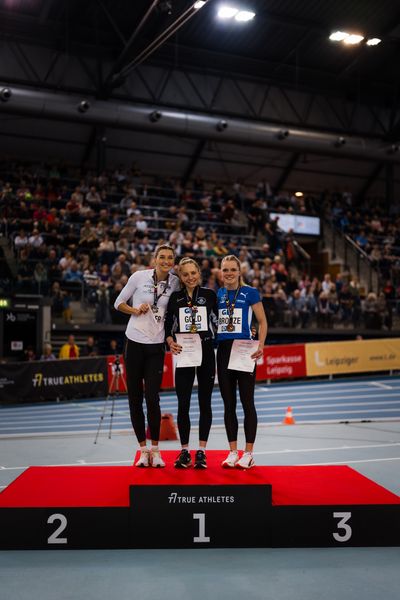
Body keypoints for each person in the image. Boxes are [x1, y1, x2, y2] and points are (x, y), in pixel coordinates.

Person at [114, 245, 180, 468]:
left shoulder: (175, 282)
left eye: (170, 258)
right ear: (155, 259)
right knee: (135, 398)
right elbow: (118, 303)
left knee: (152, 398)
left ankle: (155, 450)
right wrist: (134, 310)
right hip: (133, 343)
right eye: (162, 257)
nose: (166, 261)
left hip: (156, 346)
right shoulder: (138, 276)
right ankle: (143, 451)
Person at [165, 258, 218, 469]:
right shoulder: (175, 298)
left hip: (205, 350)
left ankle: (202, 452)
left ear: (199, 273)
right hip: (184, 351)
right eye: (185, 274)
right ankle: (185, 450)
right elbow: (168, 325)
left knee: (205, 403)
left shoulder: (210, 295)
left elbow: (221, 320)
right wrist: (170, 341)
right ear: (180, 276)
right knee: (183, 403)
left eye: (193, 273)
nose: (190, 277)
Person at [216, 255, 268, 469]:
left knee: (247, 403)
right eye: (225, 270)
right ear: (221, 272)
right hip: (223, 351)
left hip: (244, 350)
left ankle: (249, 453)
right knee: (228, 404)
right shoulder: (218, 294)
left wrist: (261, 345)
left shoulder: (250, 292)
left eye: (232, 270)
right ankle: (232, 452)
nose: (228, 273)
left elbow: (262, 321)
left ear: (239, 272)